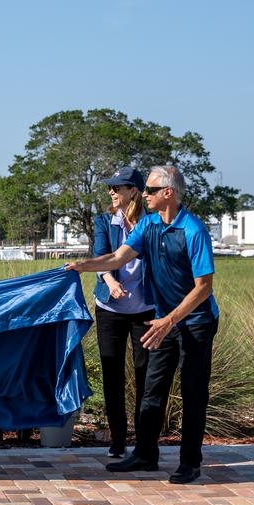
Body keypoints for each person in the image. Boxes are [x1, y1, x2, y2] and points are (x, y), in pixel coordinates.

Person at [66, 165, 219, 484]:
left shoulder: (193, 230)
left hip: (196, 323)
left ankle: (190, 463)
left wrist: (170, 319)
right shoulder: (149, 225)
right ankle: (146, 455)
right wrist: (84, 265)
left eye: (149, 190)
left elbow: (203, 287)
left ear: (168, 193)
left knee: (193, 394)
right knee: (152, 390)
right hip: (164, 322)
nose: (143, 194)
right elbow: (118, 257)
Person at [91, 166, 155, 457]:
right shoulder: (105, 221)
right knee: (112, 373)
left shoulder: (152, 224)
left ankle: (144, 442)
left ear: (134, 191)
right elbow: (102, 256)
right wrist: (110, 280)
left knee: (145, 374)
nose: (112, 192)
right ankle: (118, 441)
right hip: (110, 309)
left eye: (118, 187)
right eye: (110, 187)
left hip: (146, 310)